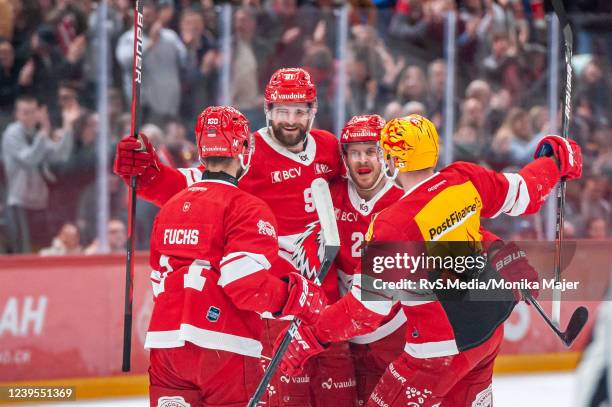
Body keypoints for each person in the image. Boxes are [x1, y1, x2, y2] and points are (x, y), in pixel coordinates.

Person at [277, 114, 583, 406]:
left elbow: (366, 309)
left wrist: (313, 334)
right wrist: (553, 161)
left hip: (438, 350)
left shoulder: (394, 224)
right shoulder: (464, 178)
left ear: (393, 161)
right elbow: (525, 194)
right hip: (488, 333)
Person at [114, 67, 354, 406]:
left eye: (299, 111)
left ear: (313, 111)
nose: (290, 120)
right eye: (282, 111)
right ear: (268, 110)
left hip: (322, 290)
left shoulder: (329, 148)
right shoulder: (249, 150)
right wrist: (149, 175)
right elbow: (196, 186)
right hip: (274, 299)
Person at [145, 105, 327, 407]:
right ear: (243, 150)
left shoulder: (171, 207)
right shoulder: (247, 207)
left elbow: (158, 282)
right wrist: (297, 295)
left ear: (202, 151)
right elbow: (245, 284)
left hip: (165, 343)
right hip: (224, 346)